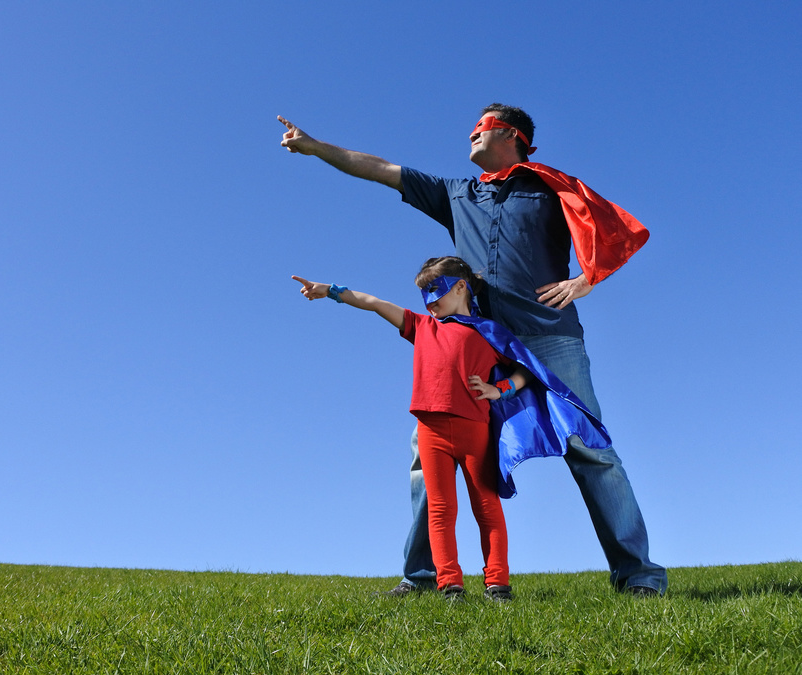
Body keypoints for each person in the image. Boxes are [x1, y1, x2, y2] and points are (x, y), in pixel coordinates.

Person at [278, 104, 667, 597]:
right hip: (476, 343)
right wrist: (314, 147)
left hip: (550, 336)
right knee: (429, 451)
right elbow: (377, 168)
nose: (469, 133)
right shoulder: (455, 194)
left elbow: (612, 229)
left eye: (479, 126)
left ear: (509, 134)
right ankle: (420, 577)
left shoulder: (550, 186)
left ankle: (639, 576)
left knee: (590, 448)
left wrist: (586, 280)